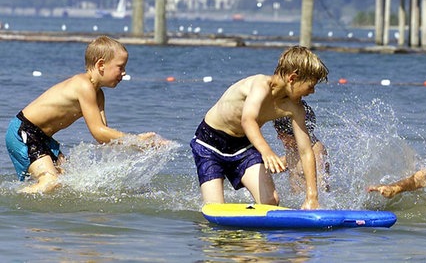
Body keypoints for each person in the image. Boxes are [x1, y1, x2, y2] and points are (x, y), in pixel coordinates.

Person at [5, 35, 161, 194]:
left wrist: (141, 146)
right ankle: (8, 198)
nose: (124, 73)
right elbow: (98, 132)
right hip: (23, 131)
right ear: (101, 65)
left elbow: (104, 139)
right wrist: (136, 139)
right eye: (120, 67)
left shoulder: (98, 95)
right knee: (51, 182)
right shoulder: (83, 85)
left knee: (68, 181)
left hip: (42, 137)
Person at [190, 45, 329, 210]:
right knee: (215, 208)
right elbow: (248, 120)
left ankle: (252, 233)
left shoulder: (295, 108)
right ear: (292, 78)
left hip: (243, 145)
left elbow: (306, 151)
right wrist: (267, 151)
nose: (312, 92)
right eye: (310, 86)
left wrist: (311, 197)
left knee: (271, 201)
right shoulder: (260, 85)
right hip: (209, 144)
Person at [273, 99, 330, 192]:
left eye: (283, 135)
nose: (278, 138)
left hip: (307, 203)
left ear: (297, 133)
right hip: (295, 202)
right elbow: (287, 163)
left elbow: (322, 185)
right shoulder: (292, 148)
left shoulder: (316, 150)